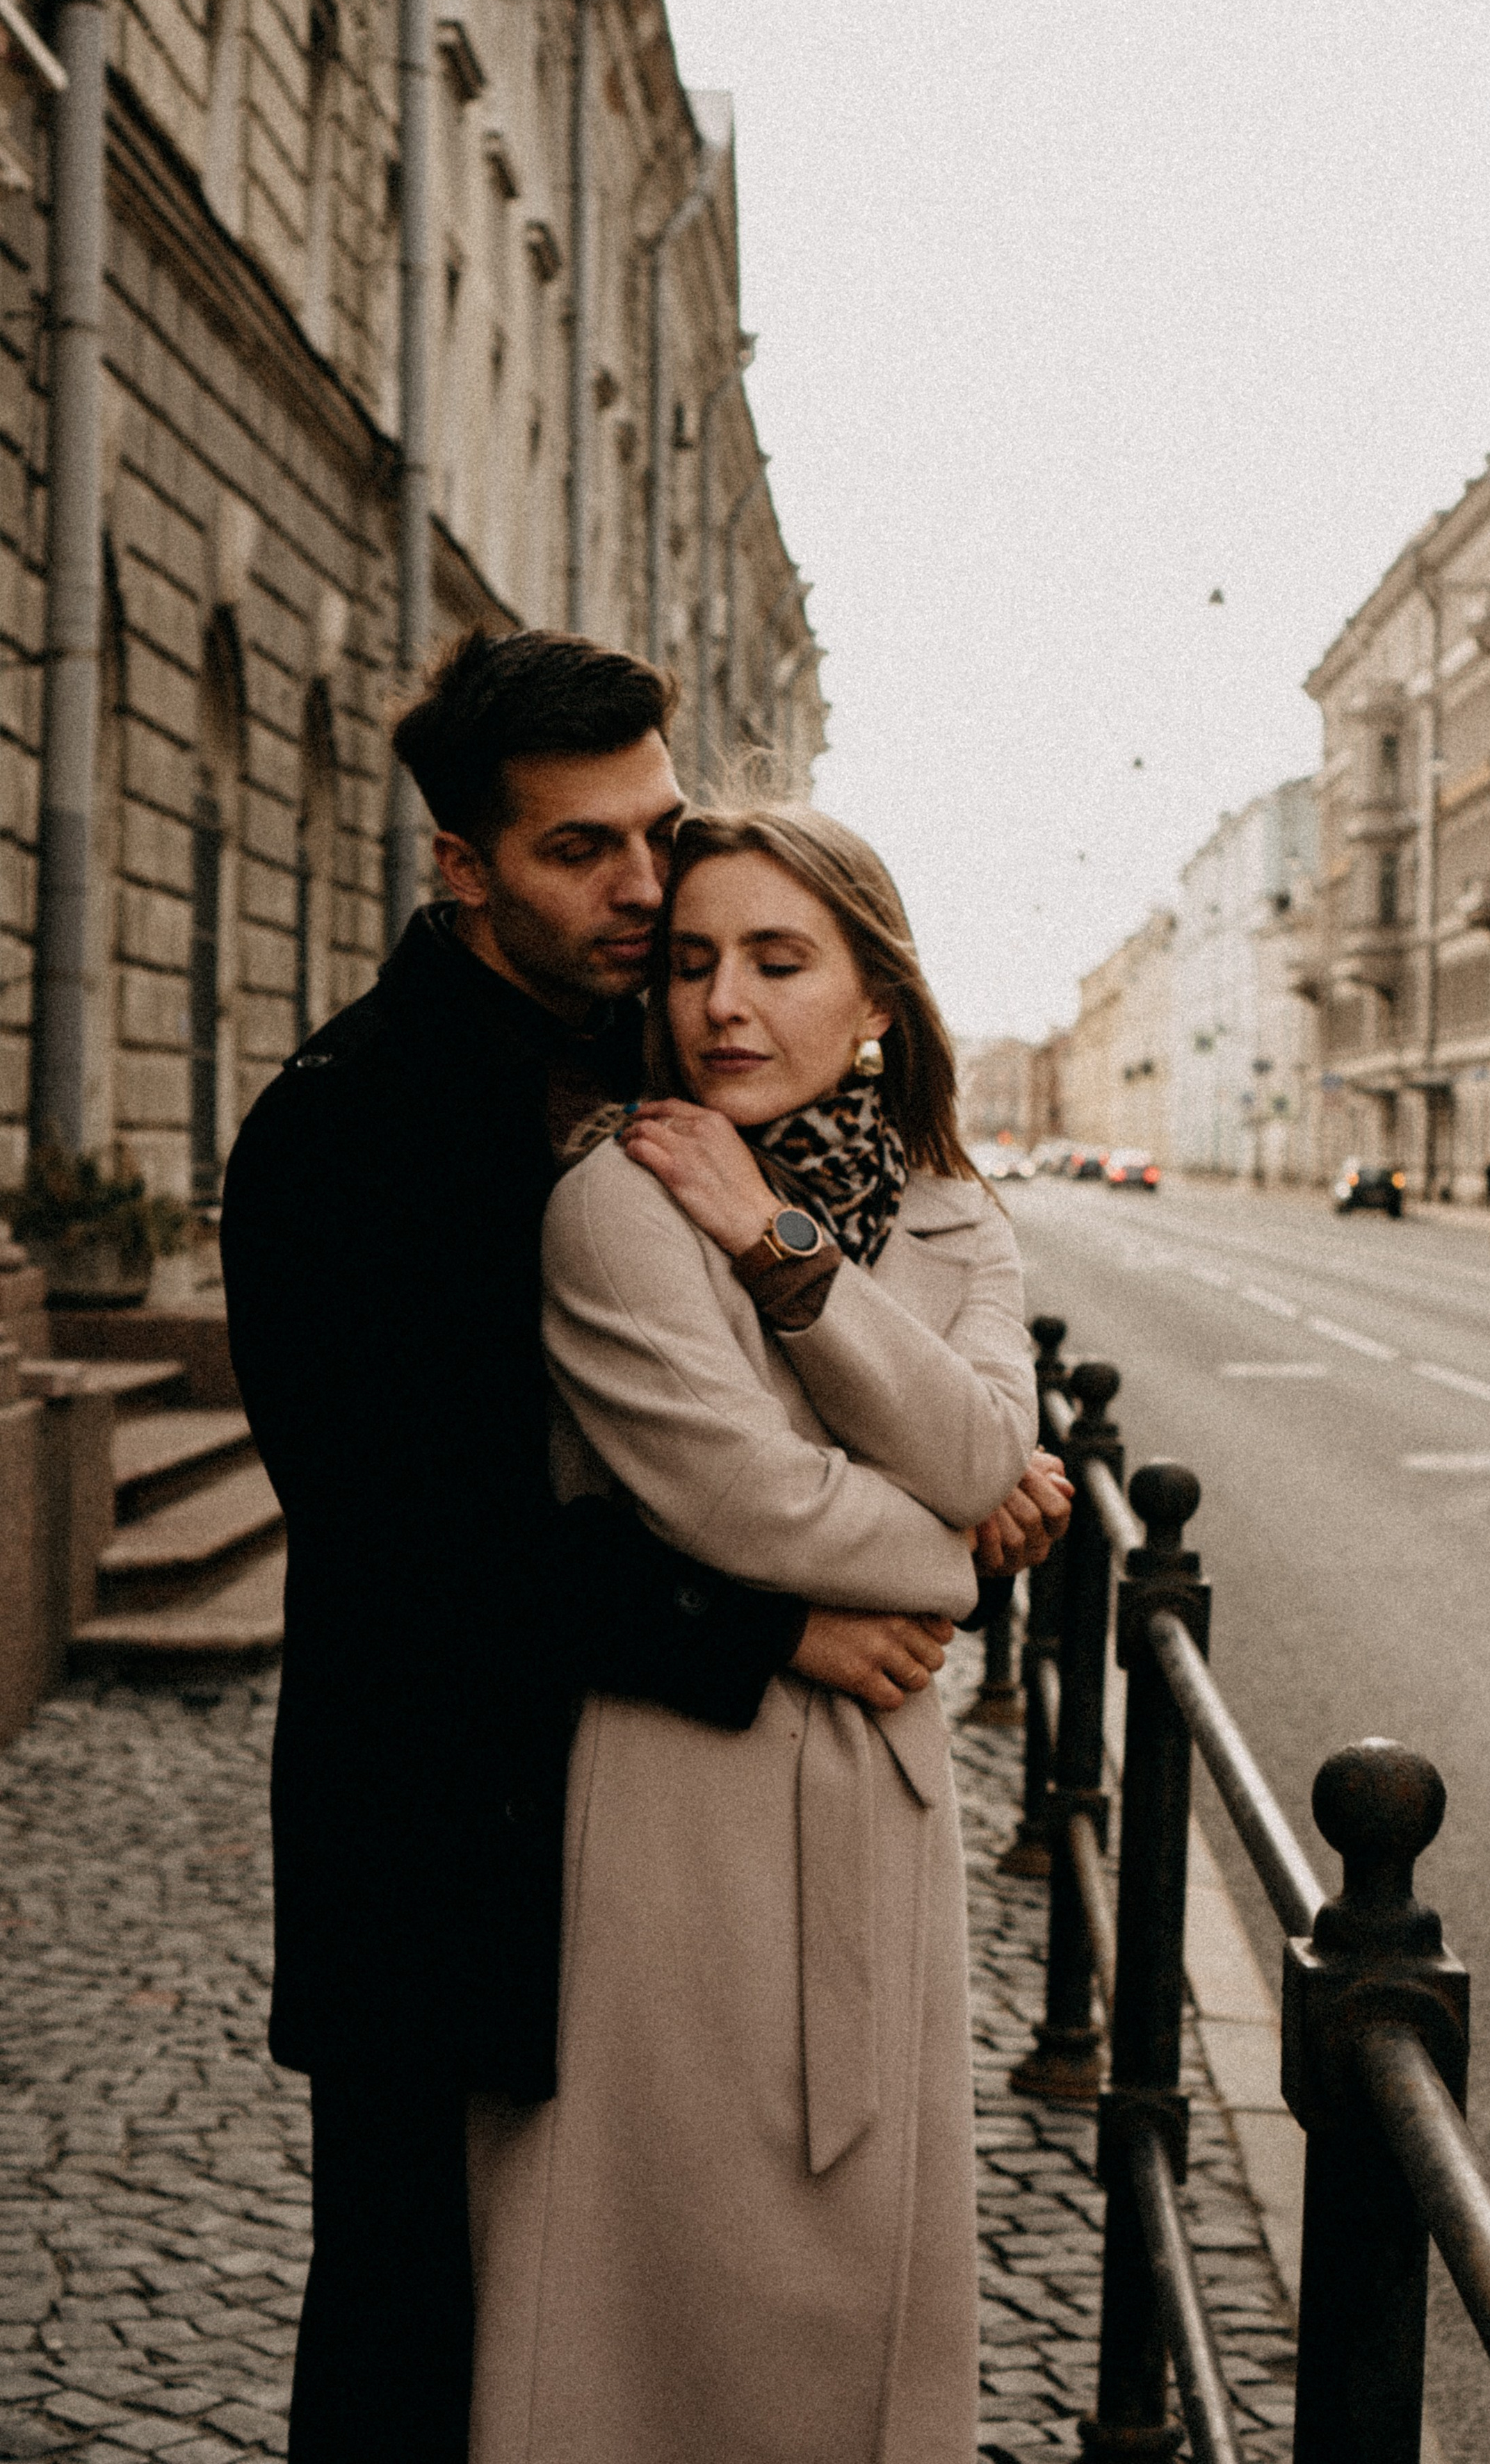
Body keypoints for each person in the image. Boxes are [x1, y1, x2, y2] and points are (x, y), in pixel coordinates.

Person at [222, 635, 1059, 2464]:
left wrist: (985, 1458)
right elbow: (414, 1542)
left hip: (638, 1803)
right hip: (443, 1825)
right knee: (418, 2336)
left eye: (656, 835)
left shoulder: (656, 1052)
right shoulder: (348, 1125)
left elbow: (883, 1333)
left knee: (647, 2316)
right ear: (464, 865)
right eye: (578, 850)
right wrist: (784, 1622)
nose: (643, 893)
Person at [466, 806, 1069, 2464]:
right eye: (691, 962)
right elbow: (745, 1501)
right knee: (660, 2292)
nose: (721, 1002)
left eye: (776, 961)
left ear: (873, 1000)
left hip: (881, 1792)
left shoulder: (951, 1215)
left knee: (860, 2302)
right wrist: (957, 1554)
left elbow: (975, 1445)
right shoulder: (615, 1202)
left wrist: (775, 1242)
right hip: (681, 1799)